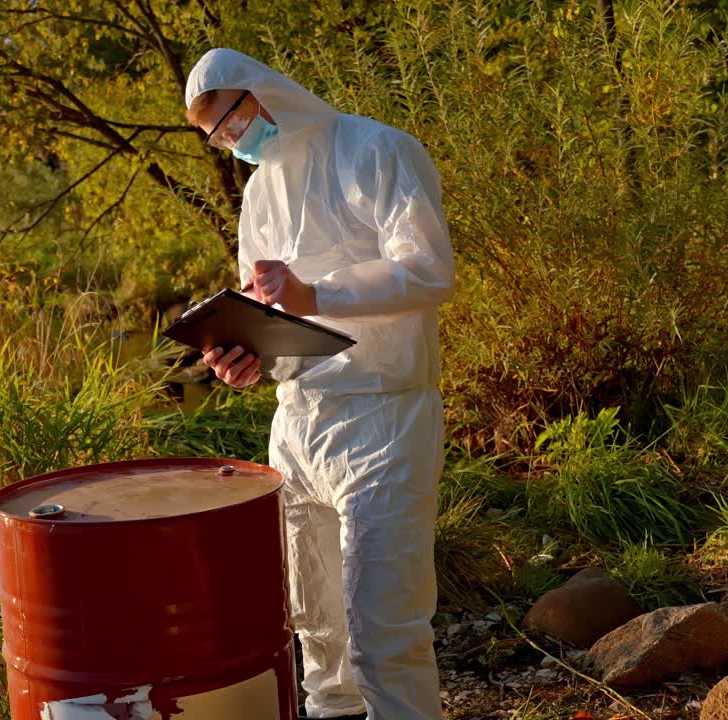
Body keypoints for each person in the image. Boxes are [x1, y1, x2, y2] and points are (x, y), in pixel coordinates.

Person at [184, 49, 455, 719]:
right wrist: (248, 359)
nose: (232, 143)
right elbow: (269, 314)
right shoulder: (259, 196)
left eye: (231, 124)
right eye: (218, 138)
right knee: (319, 638)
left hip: (384, 419)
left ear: (262, 93)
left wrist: (317, 293)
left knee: (385, 634)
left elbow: (428, 270)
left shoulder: (378, 151)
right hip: (298, 425)